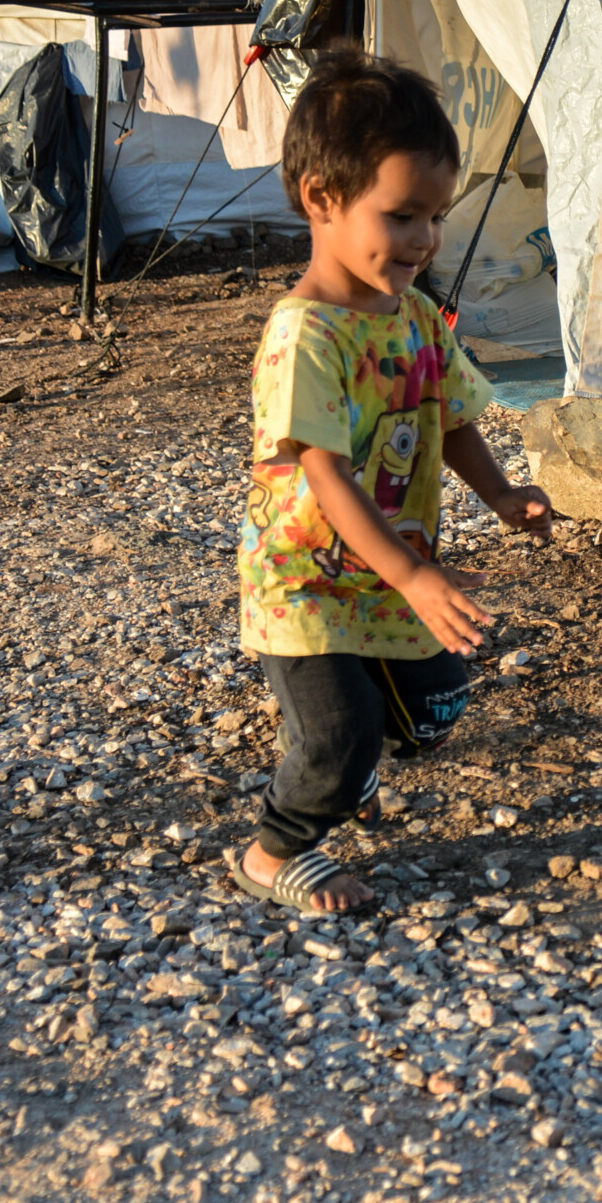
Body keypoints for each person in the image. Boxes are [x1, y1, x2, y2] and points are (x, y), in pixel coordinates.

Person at [227, 49, 553, 913]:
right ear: (322, 200)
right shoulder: (308, 336)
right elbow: (324, 471)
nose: (425, 240)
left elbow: (451, 419)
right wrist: (413, 576)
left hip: (389, 566)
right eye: (403, 215)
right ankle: (274, 849)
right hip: (309, 578)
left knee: (434, 712)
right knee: (342, 735)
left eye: (436, 217)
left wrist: (500, 494)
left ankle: (343, 766)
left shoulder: (413, 317)